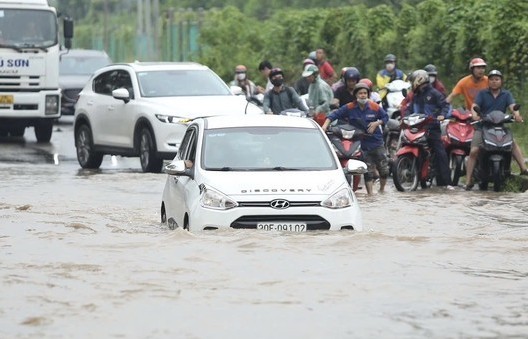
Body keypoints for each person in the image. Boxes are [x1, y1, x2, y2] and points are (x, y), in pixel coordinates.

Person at [464, 70, 528, 190]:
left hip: (500, 126)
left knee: (512, 144)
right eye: (492, 79)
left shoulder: (506, 94)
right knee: (474, 151)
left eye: (497, 79)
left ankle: (523, 169)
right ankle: (468, 180)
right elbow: (474, 106)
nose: (494, 82)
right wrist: (475, 115)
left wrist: (517, 115)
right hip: (483, 127)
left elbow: (512, 107)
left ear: (501, 81)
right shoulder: (482, 94)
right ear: (488, 81)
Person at [321, 83, 389, 194]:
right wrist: (324, 126)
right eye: (360, 93)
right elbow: (333, 115)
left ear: (368, 94)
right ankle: (370, 195)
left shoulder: (374, 106)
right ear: (356, 95)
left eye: (365, 93)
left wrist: (377, 123)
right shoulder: (349, 107)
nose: (363, 95)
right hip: (360, 143)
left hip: (376, 141)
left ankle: (382, 190)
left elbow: (385, 117)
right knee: (367, 170)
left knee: (384, 169)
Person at [405, 69, 453, 189]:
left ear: (418, 80)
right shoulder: (416, 96)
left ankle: (446, 182)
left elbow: (445, 106)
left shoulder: (435, 93)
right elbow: (409, 109)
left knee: (440, 152)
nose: (411, 84)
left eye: (412, 81)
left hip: (432, 128)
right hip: (416, 128)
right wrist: (404, 117)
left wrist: (442, 115)